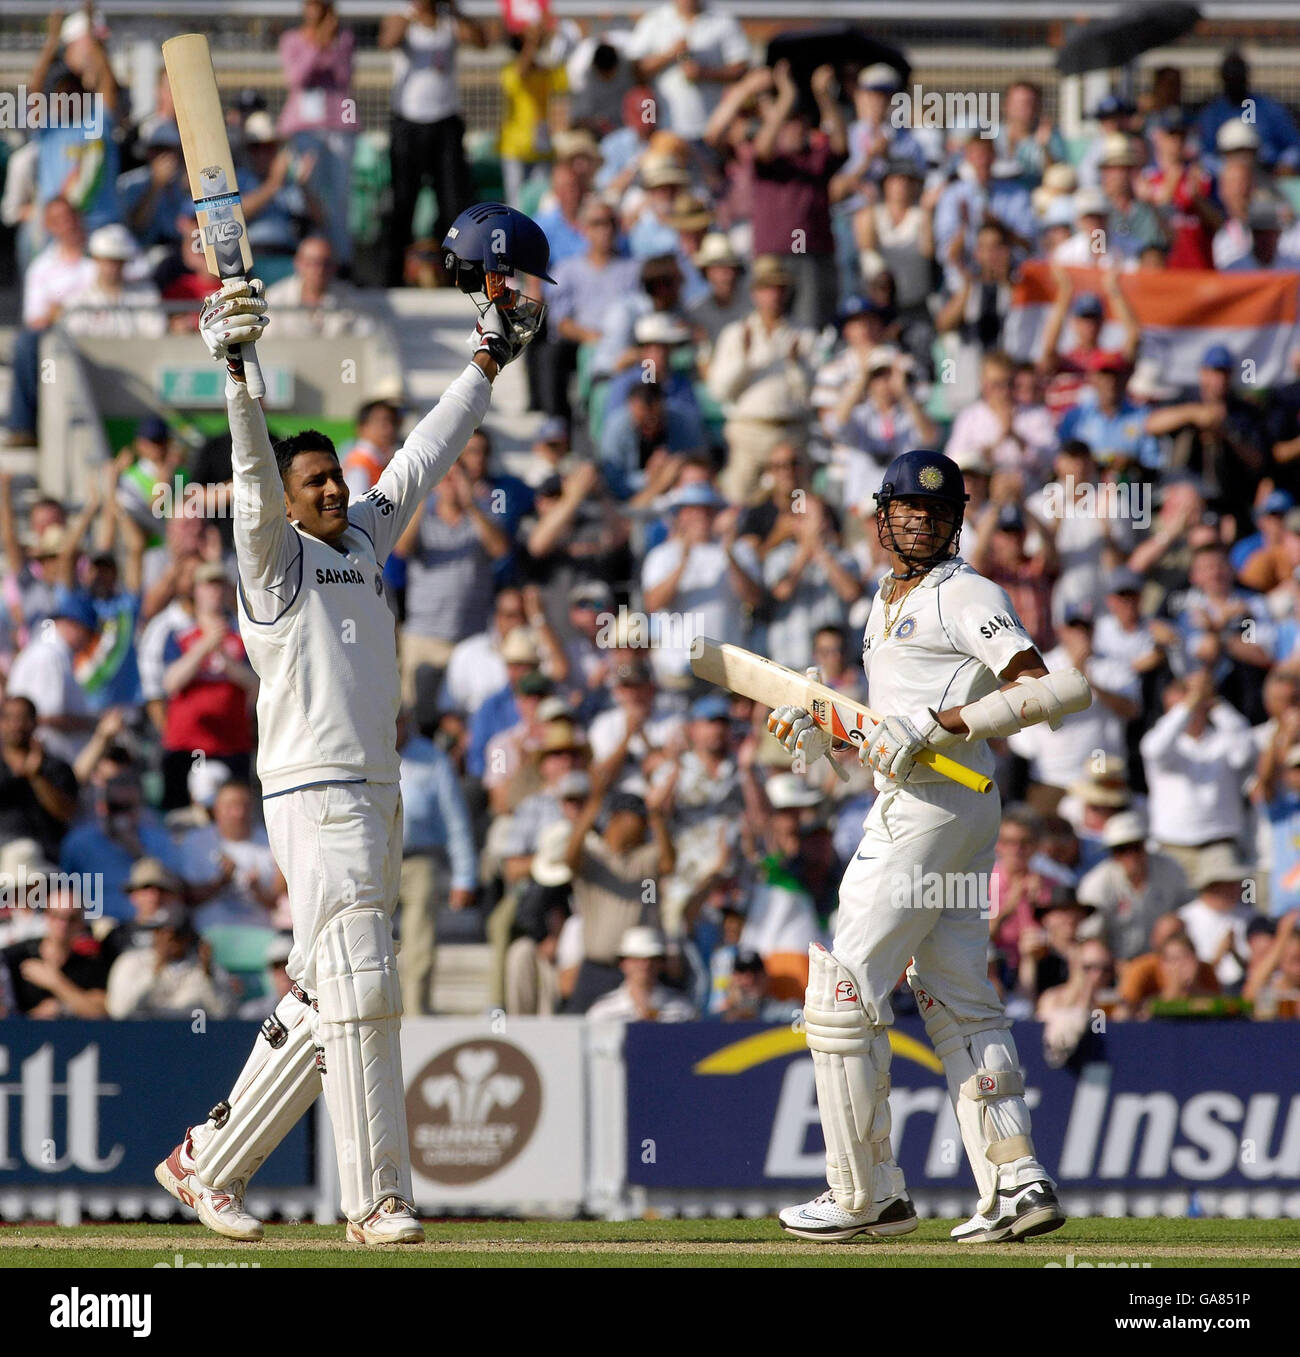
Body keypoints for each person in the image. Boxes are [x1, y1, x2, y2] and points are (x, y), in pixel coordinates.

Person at [154, 203, 548, 1245]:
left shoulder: (364, 540)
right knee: (364, 978)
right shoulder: (273, 560)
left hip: (375, 788)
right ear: (286, 503)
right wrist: (239, 368)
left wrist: (484, 366)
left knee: (330, 991)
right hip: (309, 789)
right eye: (315, 481)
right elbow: (247, 478)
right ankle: (374, 1199)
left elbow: (419, 455)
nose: (334, 487)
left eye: (334, 476)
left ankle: (205, 1158)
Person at [769, 449, 1090, 1244]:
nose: (919, 521)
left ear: (956, 521)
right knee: (955, 994)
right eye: (906, 508)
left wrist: (944, 725)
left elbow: (1052, 688)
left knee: (842, 988)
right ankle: (1016, 1179)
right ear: (881, 517)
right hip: (946, 805)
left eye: (935, 512)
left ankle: (864, 1191)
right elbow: (894, 727)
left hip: (936, 806)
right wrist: (825, 727)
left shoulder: (967, 592)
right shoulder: (881, 601)